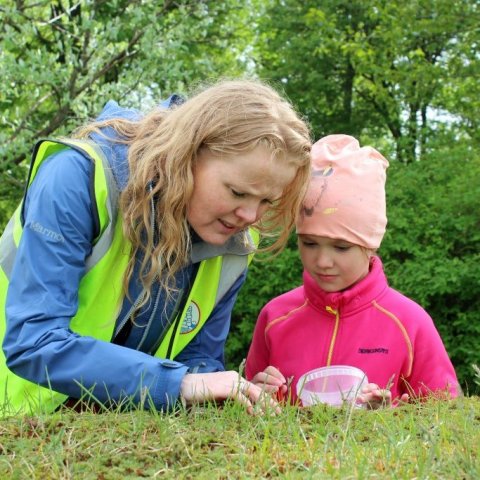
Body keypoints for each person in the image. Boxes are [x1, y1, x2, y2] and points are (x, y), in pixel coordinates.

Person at [0, 78, 313, 416]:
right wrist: (180, 384)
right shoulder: (76, 177)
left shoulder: (234, 244)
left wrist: (234, 391)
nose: (250, 216)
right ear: (187, 156)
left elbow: (197, 359)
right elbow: (34, 342)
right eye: (237, 192)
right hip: (17, 425)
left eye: (267, 200)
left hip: (111, 438)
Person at [245, 134, 460, 408]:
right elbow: (248, 412)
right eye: (309, 243)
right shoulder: (275, 316)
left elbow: (446, 413)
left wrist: (392, 414)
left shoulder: (409, 322)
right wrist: (258, 390)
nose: (322, 260)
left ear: (370, 245)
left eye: (341, 247)